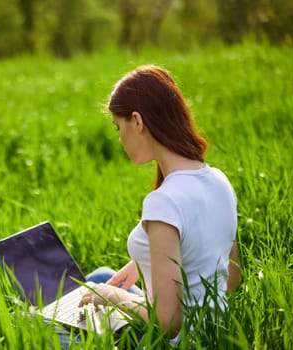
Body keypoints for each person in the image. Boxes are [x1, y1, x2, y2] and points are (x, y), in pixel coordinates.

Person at [77, 65, 242, 345]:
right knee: (102, 277)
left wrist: (115, 297)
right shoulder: (218, 180)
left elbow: (169, 322)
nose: (119, 139)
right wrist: (143, 261)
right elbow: (232, 277)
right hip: (212, 330)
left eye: (119, 127)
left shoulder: (164, 201)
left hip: (172, 341)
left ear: (137, 121)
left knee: (41, 319)